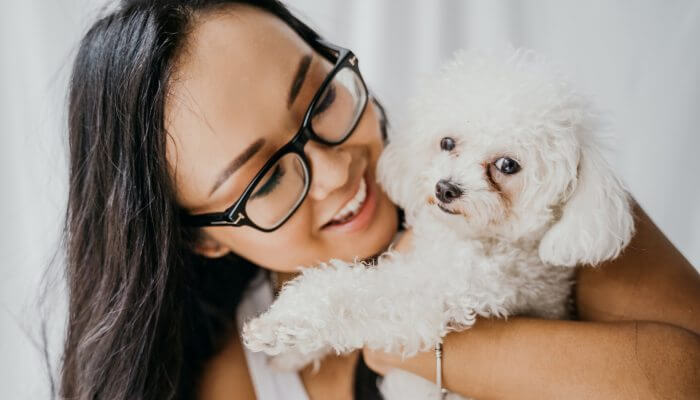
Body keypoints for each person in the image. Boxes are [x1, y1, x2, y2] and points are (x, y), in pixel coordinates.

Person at [61, 1, 700, 399]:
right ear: (202, 235)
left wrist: (398, 336)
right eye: (265, 177)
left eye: (321, 97)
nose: (337, 171)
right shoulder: (228, 379)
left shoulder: (532, 184)